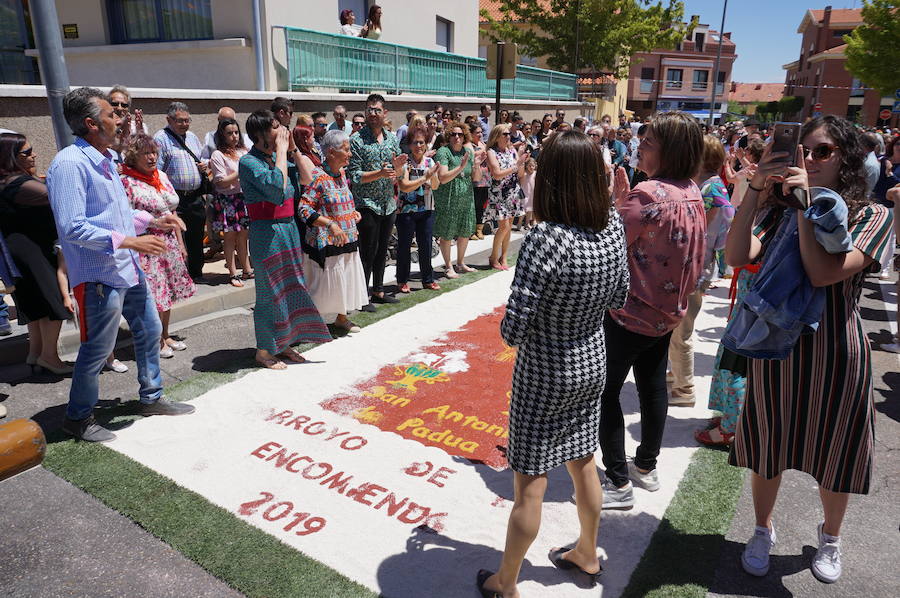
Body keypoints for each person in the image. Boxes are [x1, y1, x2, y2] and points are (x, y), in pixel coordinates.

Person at [726, 116, 893, 583]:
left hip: (837, 350)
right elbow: (736, 256)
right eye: (806, 150)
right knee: (767, 445)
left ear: (848, 159)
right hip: (775, 347)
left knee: (835, 449)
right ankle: (762, 529)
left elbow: (823, 273)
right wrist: (757, 190)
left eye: (824, 152)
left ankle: (831, 537)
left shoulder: (872, 216)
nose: (811, 160)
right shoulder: (780, 207)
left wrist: (804, 205)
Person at [477, 130, 630, 598]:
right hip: (592, 361)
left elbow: (514, 327)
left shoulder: (546, 237)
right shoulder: (613, 226)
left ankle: (507, 581)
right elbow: (620, 297)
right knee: (585, 464)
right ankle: (587, 551)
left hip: (545, 372)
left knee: (530, 484)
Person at [48, 87, 196, 442]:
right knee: (97, 348)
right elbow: (73, 227)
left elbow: (117, 215)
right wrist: (130, 240)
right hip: (99, 274)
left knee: (147, 330)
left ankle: (151, 396)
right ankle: (78, 417)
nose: (119, 119)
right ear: (90, 123)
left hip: (126, 268)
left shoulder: (105, 160)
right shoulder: (70, 164)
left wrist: (150, 222)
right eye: (111, 114)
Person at [598, 111, 706, 509]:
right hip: (667, 315)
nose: (639, 144)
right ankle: (646, 465)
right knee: (652, 387)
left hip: (629, 314)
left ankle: (617, 480)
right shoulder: (692, 190)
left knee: (605, 393)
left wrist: (616, 201)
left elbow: (605, 243)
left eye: (648, 141)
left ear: (670, 150)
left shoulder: (648, 194)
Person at [239, 110, 331, 370]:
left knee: (291, 287)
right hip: (266, 233)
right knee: (269, 293)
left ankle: (284, 342)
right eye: (275, 128)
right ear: (259, 134)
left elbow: (308, 177)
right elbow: (275, 186)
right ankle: (264, 350)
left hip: (288, 229)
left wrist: (292, 150)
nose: (281, 132)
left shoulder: (277, 158)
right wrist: (280, 151)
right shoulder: (249, 162)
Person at [668, 135, 732, 407]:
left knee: (680, 331)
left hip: (691, 272)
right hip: (698, 270)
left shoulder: (707, 193)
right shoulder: (714, 188)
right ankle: (676, 374)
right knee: (677, 328)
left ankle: (685, 389)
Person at [0, 132, 72, 374]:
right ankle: (50, 357)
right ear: (9, 157)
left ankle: (36, 354)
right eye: (26, 153)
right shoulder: (17, 184)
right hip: (32, 250)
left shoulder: (10, 181)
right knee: (54, 302)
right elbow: (60, 197)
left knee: (37, 304)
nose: (34, 155)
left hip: (25, 250)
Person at [120, 134, 195, 359]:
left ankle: (166, 333)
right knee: (154, 293)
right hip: (147, 243)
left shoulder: (160, 175)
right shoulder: (127, 181)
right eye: (146, 153)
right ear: (134, 156)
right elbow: (126, 216)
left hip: (169, 241)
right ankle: (156, 339)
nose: (152, 157)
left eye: (154, 152)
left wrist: (180, 242)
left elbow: (171, 211)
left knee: (168, 290)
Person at [298, 130, 369, 334]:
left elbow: (338, 200)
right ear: (331, 152)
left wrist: (352, 212)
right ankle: (312, 323)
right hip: (327, 242)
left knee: (345, 280)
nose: (349, 154)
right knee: (323, 286)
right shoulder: (318, 178)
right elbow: (304, 209)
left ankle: (341, 318)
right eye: (346, 150)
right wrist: (330, 224)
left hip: (347, 237)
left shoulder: (342, 174)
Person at [348, 93, 407, 311]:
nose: (373, 113)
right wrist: (380, 173)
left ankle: (379, 290)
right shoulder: (356, 140)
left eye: (377, 110)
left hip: (388, 203)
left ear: (385, 113)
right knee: (367, 251)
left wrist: (398, 170)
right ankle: (363, 296)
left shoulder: (392, 138)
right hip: (367, 203)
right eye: (369, 109)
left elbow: (398, 168)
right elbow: (354, 175)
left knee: (383, 249)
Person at [154, 101, 209, 281]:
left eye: (187, 120)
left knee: (196, 236)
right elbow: (158, 171)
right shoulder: (161, 138)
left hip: (195, 197)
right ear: (169, 120)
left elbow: (200, 158)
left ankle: (196, 273)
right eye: (180, 121)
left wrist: (202, 167)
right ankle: (180, 277)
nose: (185, 124)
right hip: (175, 199)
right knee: (178, 240)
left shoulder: (192, 137)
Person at [433, 122, 482, 278]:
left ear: (464, 137)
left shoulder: (468, 151)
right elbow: (443, 177)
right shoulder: (443, 152)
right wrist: (460, 168)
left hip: (466, 197)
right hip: (448, 197)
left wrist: (477, 166)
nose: (456, 137)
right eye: (453, 134)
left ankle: (460, 263)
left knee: (465, 231)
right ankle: (448, 266)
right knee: (447, 233)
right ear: (449, 136)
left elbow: (476, 178)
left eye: (460, 134)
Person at [396, 125, 441, 293]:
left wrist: (433, 177)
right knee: (404, 246)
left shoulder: (430, 162)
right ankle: (402, 280)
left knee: (426, 245)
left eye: (421, 142)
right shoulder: (405, 162)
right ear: (409, 144)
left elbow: (435, 185)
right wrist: (425, 177)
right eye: (415, 142)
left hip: (427, 208)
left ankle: (428, 279)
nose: (418, 146)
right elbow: (405, 186)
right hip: (406, 211)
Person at [208, 117, 252, 287]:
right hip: (227, 200)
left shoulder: (243, 151)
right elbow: (220, 182)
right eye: (229, 133)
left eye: (236, 132)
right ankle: (233, 273)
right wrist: (241, 171)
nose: (234, 136)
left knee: (243, 236)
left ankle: (247, 269)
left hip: (242, 198)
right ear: (222, 135)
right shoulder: (217, 155)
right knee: (230, 237)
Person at [485, 123, 528, 271]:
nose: (508, 136)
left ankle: (503, 256)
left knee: (508, 227)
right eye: (504, 134)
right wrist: (516, 165)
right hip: (499, 193)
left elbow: (520, 174)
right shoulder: (491, 152)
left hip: (512, 192)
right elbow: (497, 173)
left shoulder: (511, 151)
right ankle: (493, 256)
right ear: (497, 137)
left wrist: (521, 162)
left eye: (508, 133)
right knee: (504, 227)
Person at [109, 85, 147, 155]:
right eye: (115, 104)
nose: (119, 108)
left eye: (124, 105)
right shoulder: (103, 127)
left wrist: (140, 134)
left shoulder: (137, 127)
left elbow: (144, 154)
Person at [467, 122, 490, 241]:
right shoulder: (468, 144)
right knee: (474, 205)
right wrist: (483, 151)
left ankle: (479, 229)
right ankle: (471, 230)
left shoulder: (482, 143)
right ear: (471, 134)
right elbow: (471, 155)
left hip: (485, 178)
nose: (480, 134)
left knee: (481, 204)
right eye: (477, 132)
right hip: (474, 178)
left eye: (481, 132)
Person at [519, 157, 536, 230]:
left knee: (530, 209)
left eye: (533, 165)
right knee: (523, 210)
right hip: (524, 193)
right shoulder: (524, 174)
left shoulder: (535, 173)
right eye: (529, 165)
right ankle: (519, 223)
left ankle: (527, 223)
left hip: (532, 193)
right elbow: (520, 181)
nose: (531, 167)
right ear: (526, 166)